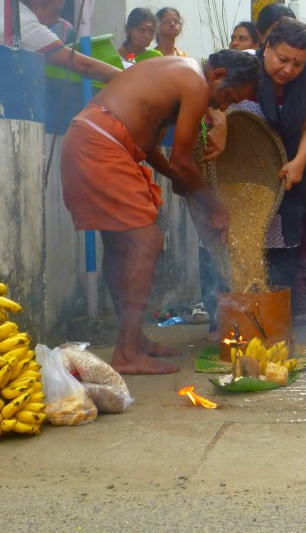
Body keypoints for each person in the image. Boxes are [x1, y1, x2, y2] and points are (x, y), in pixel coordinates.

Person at [60, 51, 261, 374]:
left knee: (120, 245)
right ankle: (126, 353)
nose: (221, 108)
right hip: (101, 144)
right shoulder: (195, 82)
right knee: (146, 242)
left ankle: (134, 339)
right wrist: (216, 208)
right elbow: (183, 161)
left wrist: (175, 178)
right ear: (218, 74)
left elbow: (150, 144)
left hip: (88, 138)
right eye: (226, 97)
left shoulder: (177, 71)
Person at [200, 20, 306, 326]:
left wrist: (298, 162)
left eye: (298, 63)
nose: (288, 70)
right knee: (224, 245)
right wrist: (219, 122)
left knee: (280, 249)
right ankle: (225, 324)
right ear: (266, 47)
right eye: (282, 59)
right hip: (229, 167)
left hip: (280, 173)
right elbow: (210, 96)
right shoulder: (243, 68)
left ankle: (273, 321)